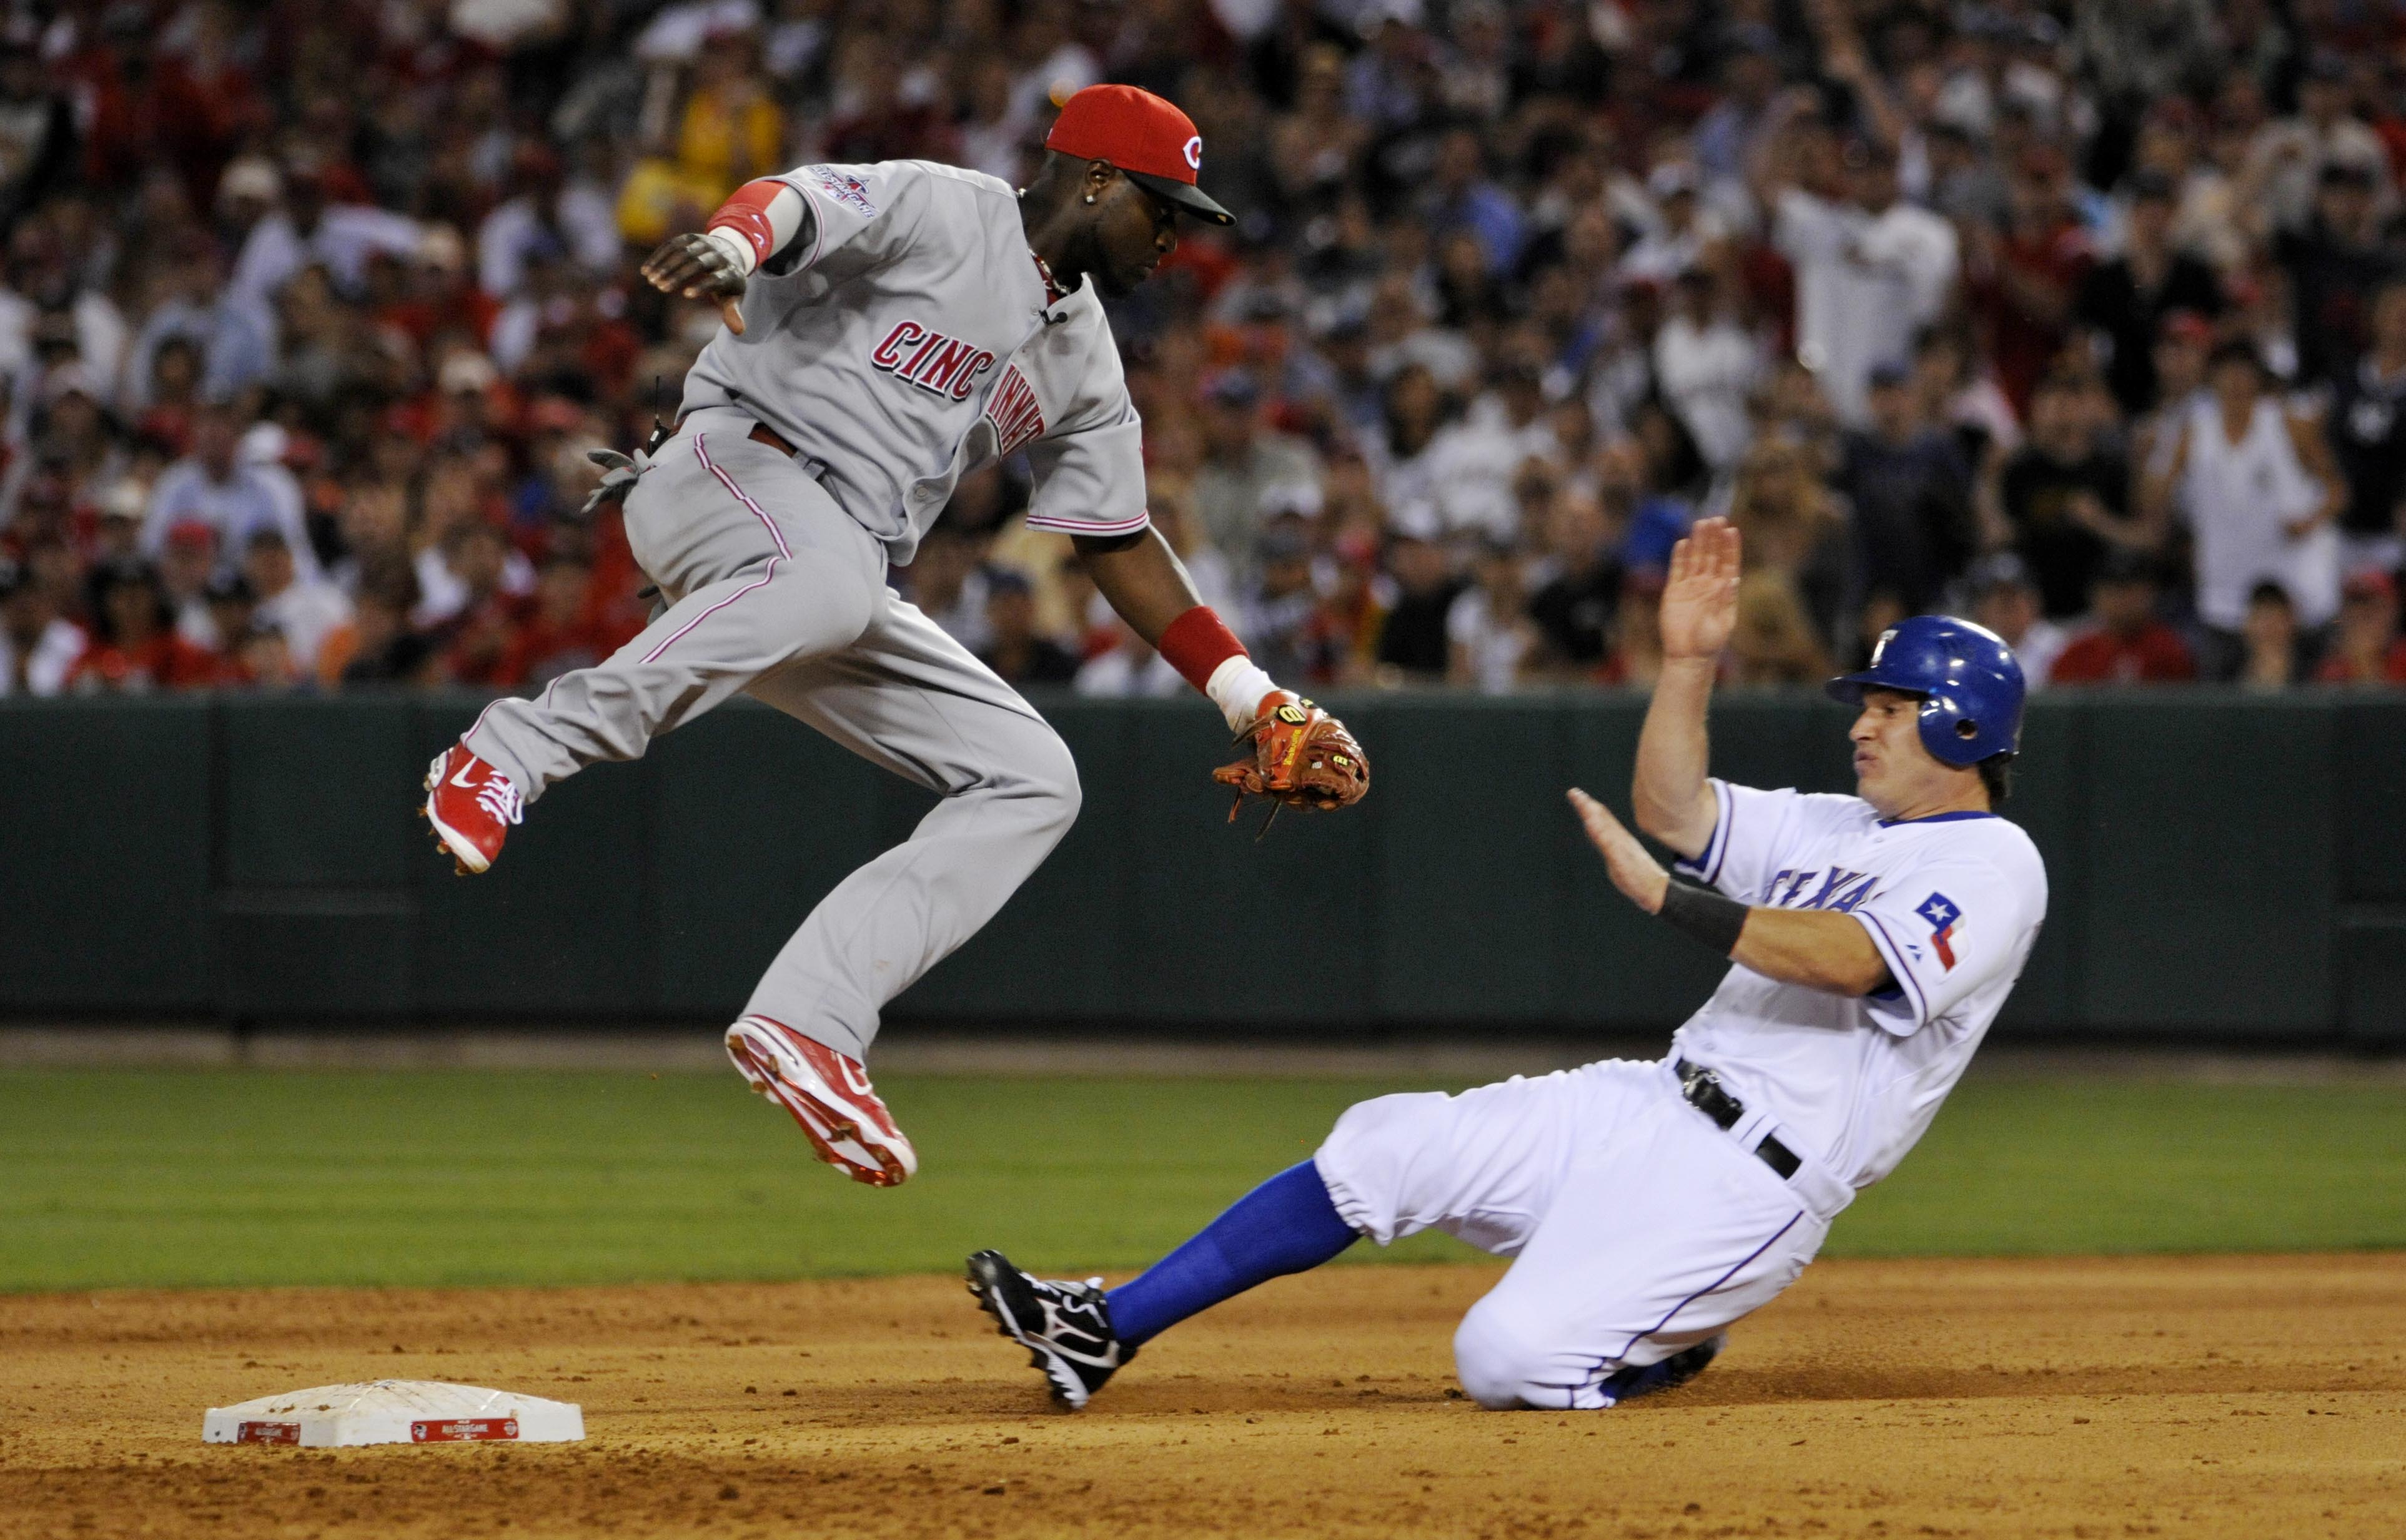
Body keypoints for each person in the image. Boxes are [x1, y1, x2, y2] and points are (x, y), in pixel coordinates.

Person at [417, 86, 1367, 1190]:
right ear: (1098, 180)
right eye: (1163, 211)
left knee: (1032, 778)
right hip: (730, 464)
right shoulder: (949, 207)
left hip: (831, 560)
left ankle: (811, 1021)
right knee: (826, 582)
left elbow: (1117, 539)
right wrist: (733, 243)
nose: (1173, 240)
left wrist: (1250, 697)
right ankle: (509, 752)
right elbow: (796, 202)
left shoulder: (1081, 354)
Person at [967, 518, 2046, 1412]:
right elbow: (1675, 808)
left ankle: (1654, 1347)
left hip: (1749, 1185)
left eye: (1886, 709)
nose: (1860, 725)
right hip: (1654, 1103)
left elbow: (1855, 962)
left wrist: (1673, 902)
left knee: (1503, 1359)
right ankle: (1104, 1328)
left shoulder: (1993, 863)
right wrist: (1684, 664)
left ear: (1957, 727)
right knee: (1386, 1145)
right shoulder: (1839, 824)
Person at [2149, 343, 2344, 678]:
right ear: (2212, 379)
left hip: (2294, 590)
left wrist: (2309, 520)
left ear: (2257, 378)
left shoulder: (2289, 424)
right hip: (2226, 593)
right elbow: (2157, 501)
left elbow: (2338, 491)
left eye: (2244, 371)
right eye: (2227, 371)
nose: (2236, 381)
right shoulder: (2194, 433)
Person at [2045, 552, 2197, 685]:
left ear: (2150, 593)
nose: (2121, 601)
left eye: (2130, 590)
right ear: (2096, 596)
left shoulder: (2169, 650)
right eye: (2112, 591)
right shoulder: (2078, 653)